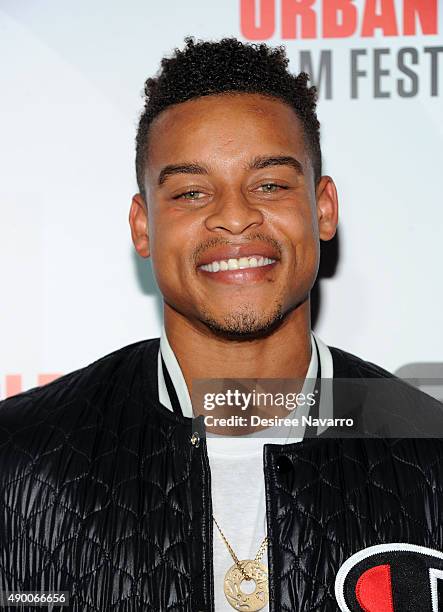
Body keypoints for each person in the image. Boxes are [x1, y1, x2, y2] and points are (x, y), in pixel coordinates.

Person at [1, 37, 442, 612]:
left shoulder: (430, 453)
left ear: (324, 209)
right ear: (143, 227)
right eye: (190, 192)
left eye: (270, 185)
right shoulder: (17, 460)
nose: (234, 217)